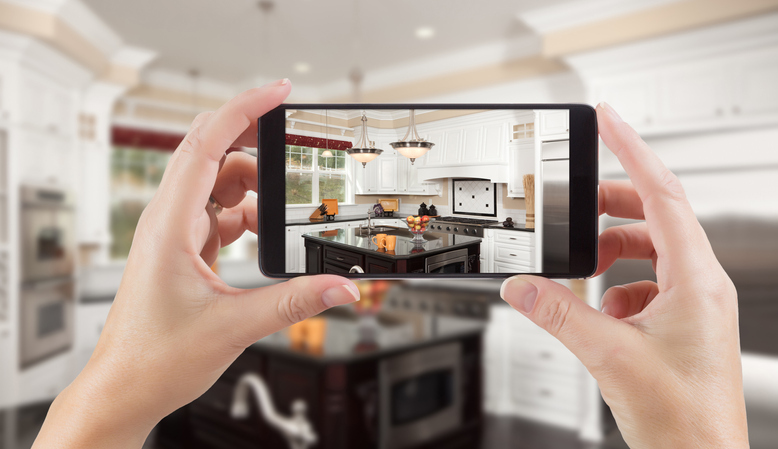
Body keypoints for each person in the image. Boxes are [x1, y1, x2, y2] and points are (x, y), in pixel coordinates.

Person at [31, 81, 748, 448]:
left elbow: (427, 233)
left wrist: (99, 410)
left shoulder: (446, 219)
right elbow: (394, 234)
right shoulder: (372, 217)